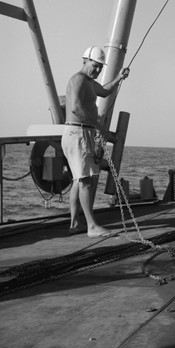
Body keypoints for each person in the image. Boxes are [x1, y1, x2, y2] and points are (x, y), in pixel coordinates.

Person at [62, 46, 129, 237]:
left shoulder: (90, 83)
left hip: (83, 134)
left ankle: (75, 223)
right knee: (85, 181)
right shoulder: (77, 80)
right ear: (85, 60)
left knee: (79, 179)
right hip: (78, 134)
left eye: (100, 67)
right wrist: (97, 125)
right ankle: (92, 226)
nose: (98, 70)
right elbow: (75, 108)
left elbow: (106, 92)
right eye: (95, 65)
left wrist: (119, 77)